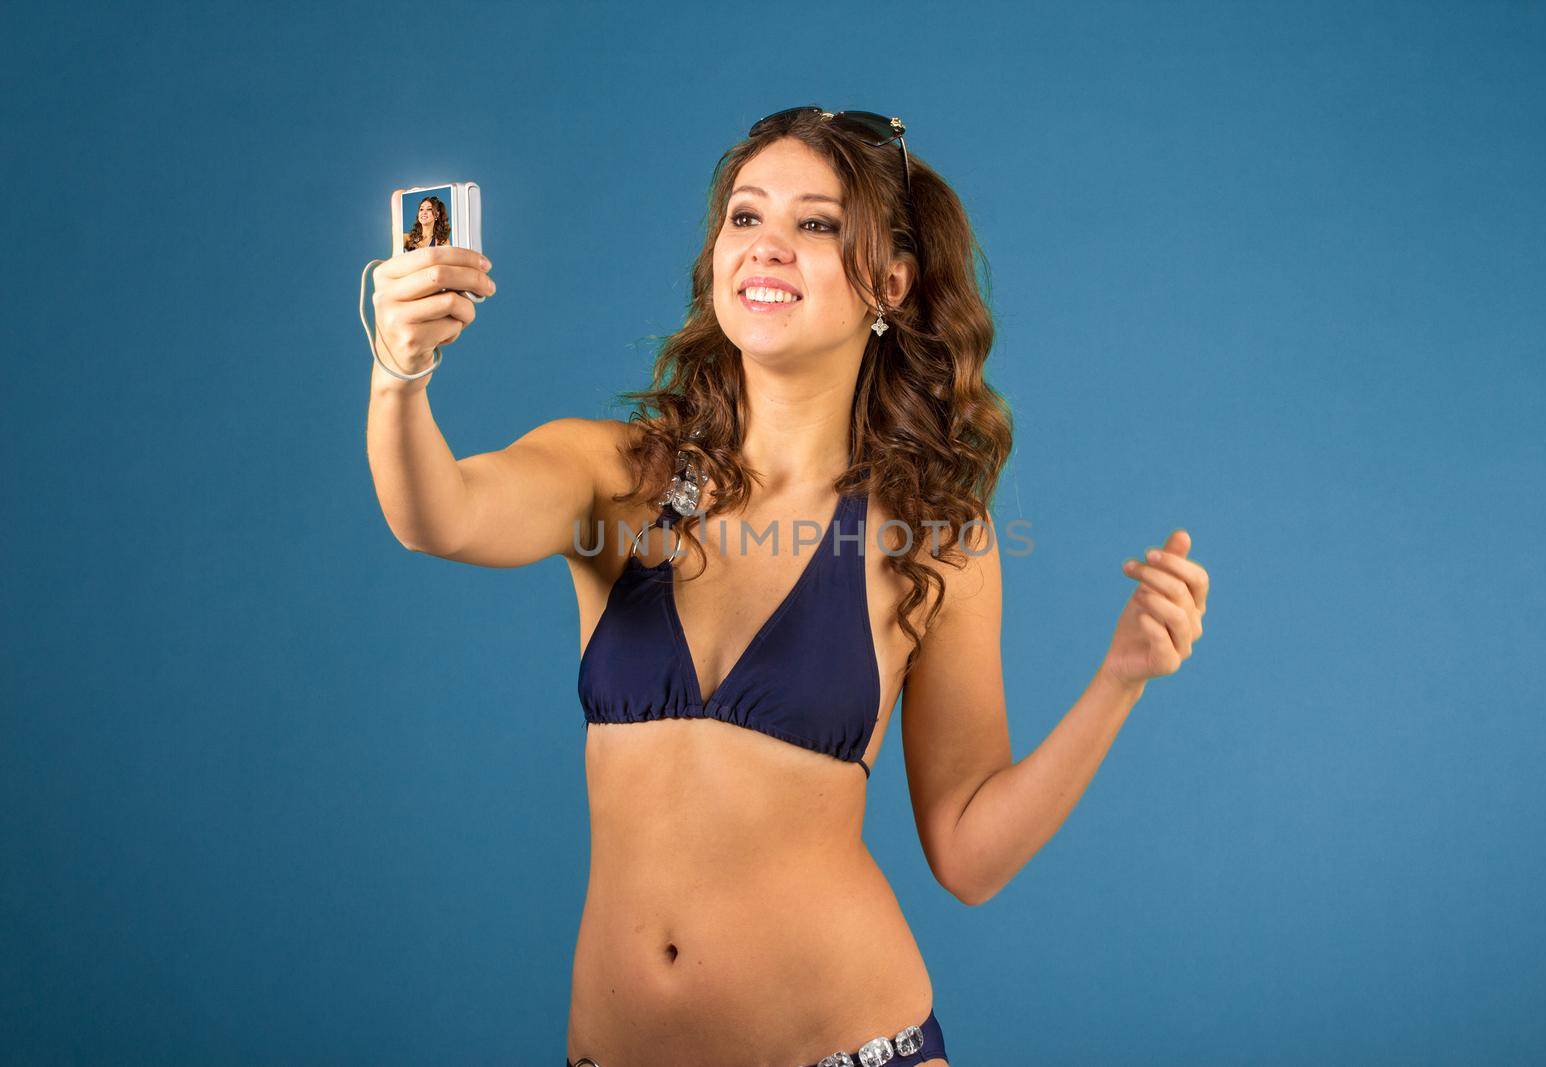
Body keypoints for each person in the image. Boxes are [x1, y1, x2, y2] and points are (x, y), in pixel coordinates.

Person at [364, 106, 1209, 1067]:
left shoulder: (935, 538)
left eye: (814, 225)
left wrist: (1120, 678)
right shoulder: (616, 477)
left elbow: (970, 853)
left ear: (888, 281)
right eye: (744, 217)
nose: (767, 247)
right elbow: (438, 514)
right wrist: (401, 374)